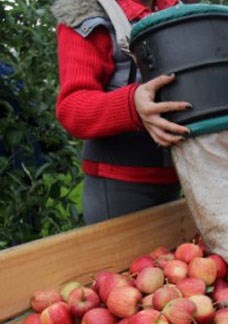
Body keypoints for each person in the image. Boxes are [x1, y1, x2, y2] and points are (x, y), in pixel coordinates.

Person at [52, 0, 193, 225]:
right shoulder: (87, 16)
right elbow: (72, 107)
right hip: (119, 181)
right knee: (121, 257)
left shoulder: (176, 11)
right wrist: (131, 105)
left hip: (176, 174)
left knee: (171, 257)